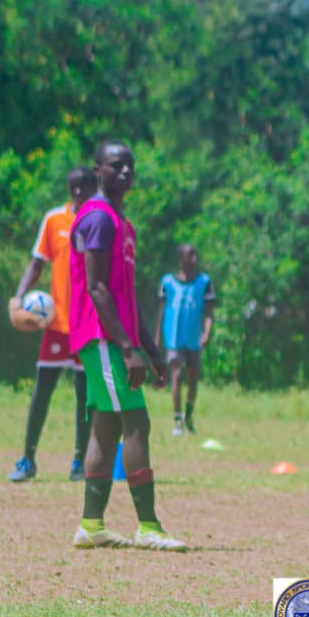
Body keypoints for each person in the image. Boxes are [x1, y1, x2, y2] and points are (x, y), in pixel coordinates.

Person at [69, 141, 186, 551]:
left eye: (130, 167)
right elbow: (98, 289)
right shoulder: (99, 218)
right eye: (116, 166)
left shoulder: (122, 223)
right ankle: (149, 527)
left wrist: (151, 351)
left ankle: (92, 525)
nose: (125, 173)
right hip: (102, 337)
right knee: (137, 423)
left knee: (107, 425)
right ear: (97, 170)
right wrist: (126, 347)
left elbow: (126, 296)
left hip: (116, 336)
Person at [5, 167, 96, 483]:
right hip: (56, 324)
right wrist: (17, 299)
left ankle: (80, 463)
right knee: (42, 391)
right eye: (73, 187)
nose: (78, 193)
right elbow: (36, 264)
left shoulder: (100, 221)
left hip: (87, 324)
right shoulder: (54, 219)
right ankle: (28, 459)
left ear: (94, 188)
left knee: (86, 396)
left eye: (84, 187)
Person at [155, 243, 215, 436]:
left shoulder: (204, 282)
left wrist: (206, 333)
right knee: (176, 375)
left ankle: (189, 416)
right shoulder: (168, 282)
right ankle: (177, 420)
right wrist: (155, 339)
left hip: (193, 339)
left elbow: (208, 313)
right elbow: (161, 312)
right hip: (173, 338)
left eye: (195, 255)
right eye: (190, 255)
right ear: (181, 259)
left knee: (193, 379)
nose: (194, 259)